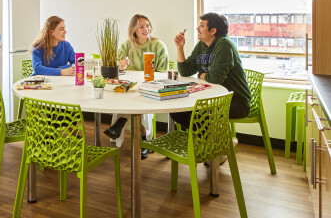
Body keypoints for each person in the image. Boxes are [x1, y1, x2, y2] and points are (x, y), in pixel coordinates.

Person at [103, 14, 169, 159]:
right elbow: (116, 70)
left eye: (147, 25)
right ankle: (143, 140)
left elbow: (163, 72)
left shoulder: (158, 46)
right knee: (130, 94)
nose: (146, 29)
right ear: (133, 29)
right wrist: (120, 66)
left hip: (150, 86)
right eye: (141, 26)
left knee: (140, 97)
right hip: (130, 87)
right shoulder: (126, 46)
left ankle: (121, 123)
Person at [170, 12, 251, 129]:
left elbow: (216, 78)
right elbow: (185, 71)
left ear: (212, 31)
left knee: (196, 115)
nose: (197, 28)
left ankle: (212, 144)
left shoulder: (224, 44)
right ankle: (200, 143)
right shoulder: (202, 45)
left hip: (236, 102)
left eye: (202, 25)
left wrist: (202, 75)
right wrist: (179, 48)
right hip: (214, 98)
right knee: (177, 112)